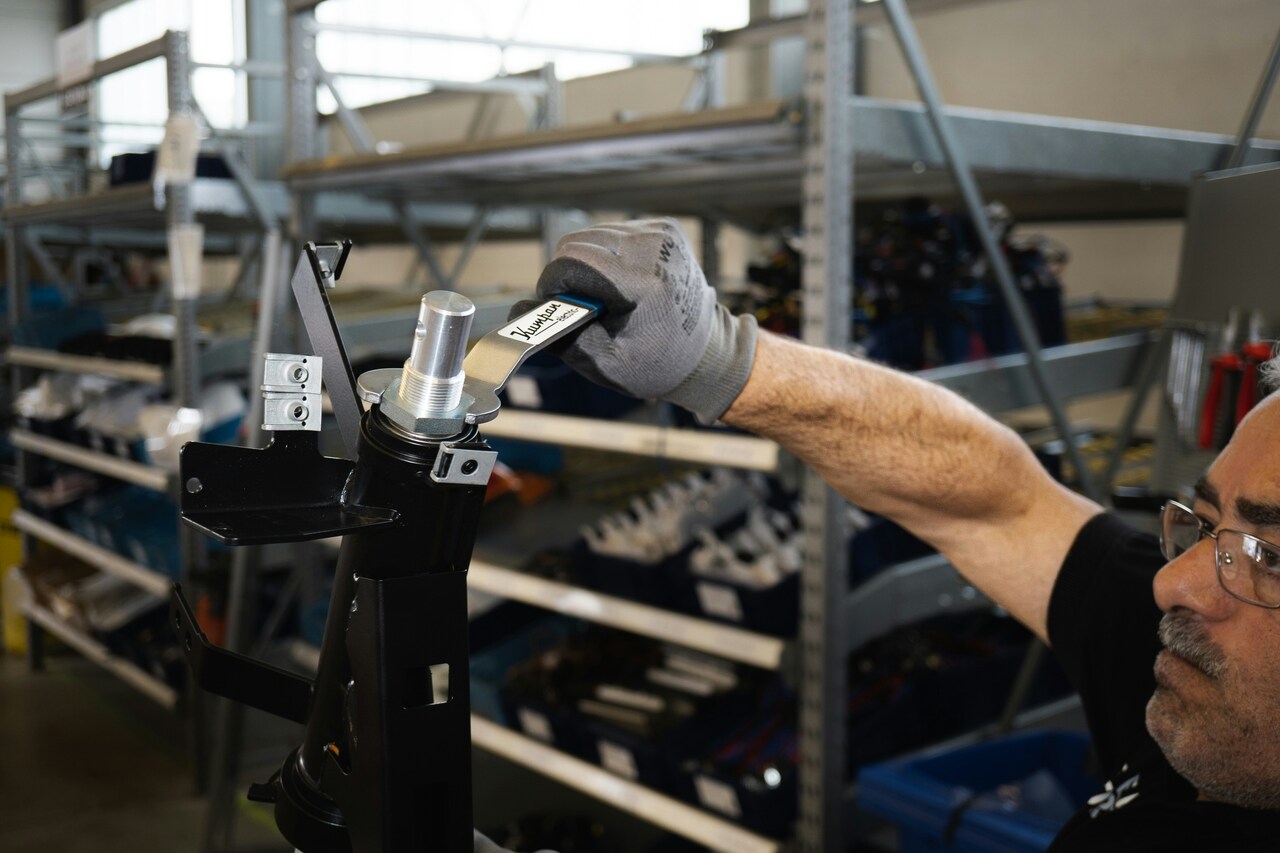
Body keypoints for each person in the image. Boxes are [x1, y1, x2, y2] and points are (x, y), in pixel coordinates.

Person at [484, 218, 1280, 851]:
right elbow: (995, 499)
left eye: (1269, 557)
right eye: (1205, 525)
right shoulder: (1177, 666)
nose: (1173, 583)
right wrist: (717, 359)